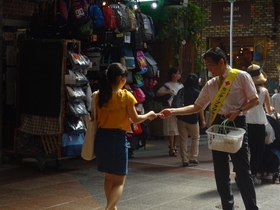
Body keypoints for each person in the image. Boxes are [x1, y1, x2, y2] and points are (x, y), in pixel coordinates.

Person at [159, 47, 259, 210]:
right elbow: (196, 106)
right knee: (220, 171)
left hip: (237, 123)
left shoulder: (241, 77)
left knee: (242, 170)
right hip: (218, 125)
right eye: (206, 65)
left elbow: (254, 100)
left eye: (210, 65)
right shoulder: (210, 84)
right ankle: (228, 206)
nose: (208, 68)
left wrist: (239, 111)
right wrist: (173, 111)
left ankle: (251, 207)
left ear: (221, 62)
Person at [94, 63, 157, 210]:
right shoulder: (126, 96)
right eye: (125, 78)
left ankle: (111, 207)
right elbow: (135, 119)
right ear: (119, 78)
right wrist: (148, 115)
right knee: (119, 181)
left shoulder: (98, 96)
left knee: (108, 177)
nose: (126, 81)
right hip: (117, 138)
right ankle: (109, 208)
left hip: (102, 138)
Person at [246, 64, 275, 184]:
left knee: (243, 150)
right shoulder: (264, 91)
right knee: (256, 151)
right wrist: (271, 109)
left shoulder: (244, 89)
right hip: (259, 123)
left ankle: (241, 173)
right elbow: (268, 109)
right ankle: (253, 174)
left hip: (245, 122)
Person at [176, 73, 206, 166]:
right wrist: (202, 119)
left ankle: (184, 159)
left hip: (181, 117)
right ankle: (193, 157)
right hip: (192, 119)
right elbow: (200, 107)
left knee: (183, 139)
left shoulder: (181, 91)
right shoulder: (197, 92)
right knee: (195, 138)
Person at [156, 66, 183, 157]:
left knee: (178, 129)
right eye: (176, 73)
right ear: (172, 74)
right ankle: (171, 147)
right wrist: (167, 92)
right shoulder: (167, 85)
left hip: (178, 109)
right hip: (169, 109)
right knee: (170, 129)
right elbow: (158, 93)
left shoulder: (181, 86)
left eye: (179, 73)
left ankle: (174, 145)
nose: (177, 75)